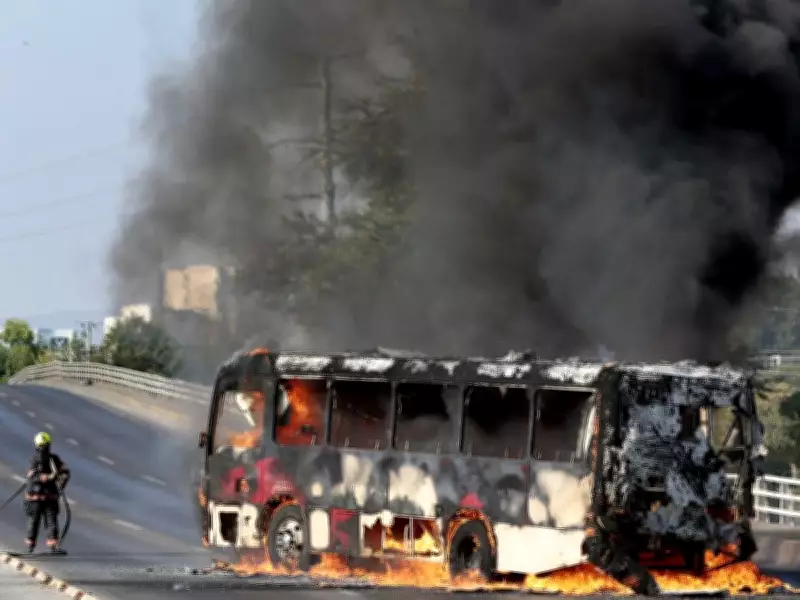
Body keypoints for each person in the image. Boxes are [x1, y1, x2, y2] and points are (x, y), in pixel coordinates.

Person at [24, 432, 70, 553]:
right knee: (48, 521)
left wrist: (58, 485)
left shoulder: (43, 460)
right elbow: (65, 473)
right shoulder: (49, 460)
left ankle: (34, 546)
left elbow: (64, 473)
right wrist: (54, 481)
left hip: (41, 497)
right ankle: (46, 546)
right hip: (46, 497)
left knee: (40, 521)